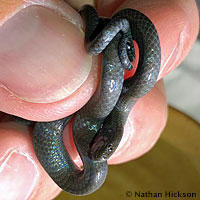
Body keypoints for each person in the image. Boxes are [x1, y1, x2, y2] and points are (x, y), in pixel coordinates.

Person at [0, 0, 198, 199]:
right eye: (107, 146)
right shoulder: (109, 107)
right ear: (111, 133)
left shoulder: (106, 115)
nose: (97, 152)